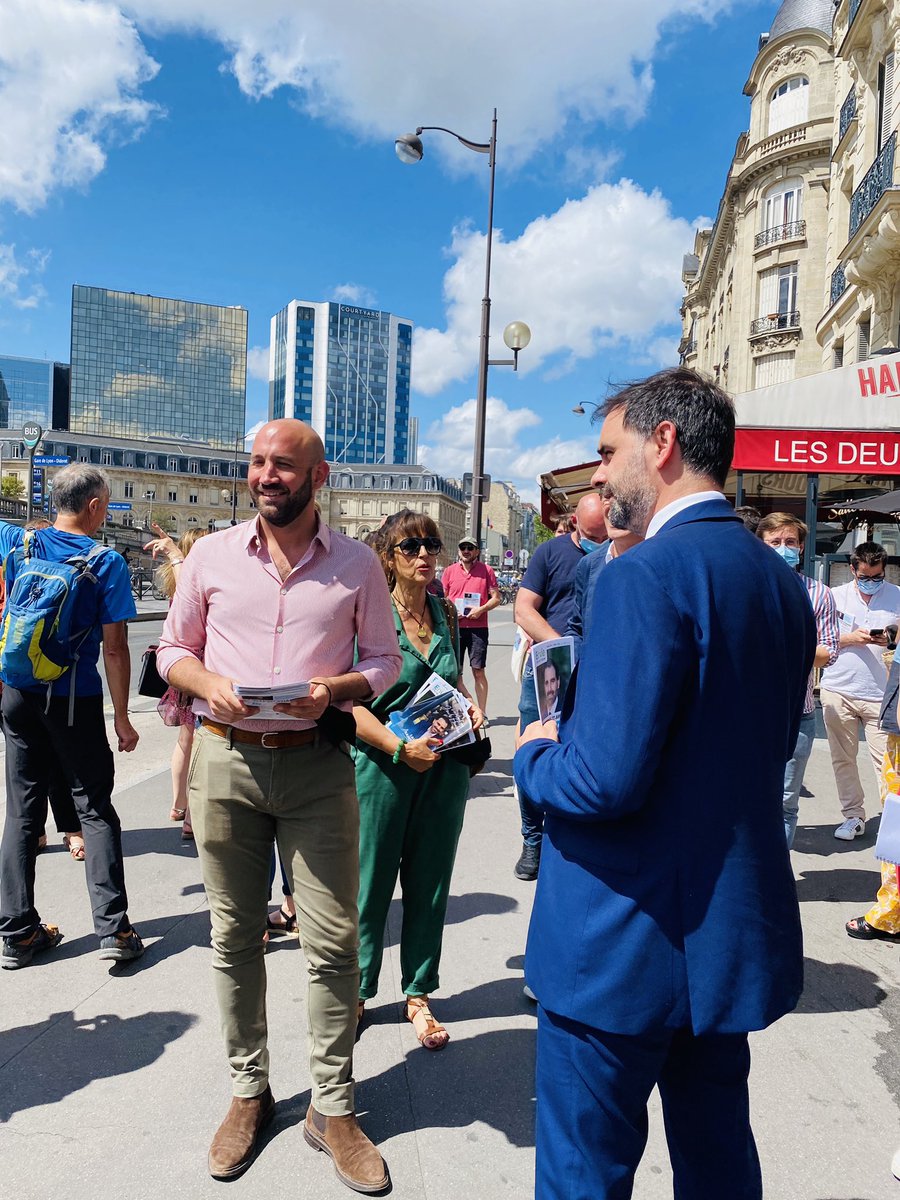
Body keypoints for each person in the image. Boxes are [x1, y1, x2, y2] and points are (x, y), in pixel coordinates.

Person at [515, 367, 814, 1200]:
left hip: (616, 943)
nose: (600, 473)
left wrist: (536, 755)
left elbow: (603, 781)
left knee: (584, 1174)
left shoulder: (643, 575)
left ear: (664, 443)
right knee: (719, 1162)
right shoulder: (778, 582)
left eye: (607, 452)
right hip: (722, 943)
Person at [156, 418, 401, 1189]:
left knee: (333, 943)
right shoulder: (212, 557)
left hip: (318, 768)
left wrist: (335, 691)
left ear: (318, 476)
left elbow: (385, 661)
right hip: (226, 765)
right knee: (233, 938)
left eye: (285, 465)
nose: (268, 476)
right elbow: (172, 651)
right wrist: (208, 686)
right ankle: (249, 1093)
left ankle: (333, 1108)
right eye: (259, 463)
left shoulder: (358, 564)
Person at [0, 463, 143, 968]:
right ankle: (114, 930)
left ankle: (17, 933)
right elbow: (117, 648)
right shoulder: (105, 562)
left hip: (15, 693)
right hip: (72, 698)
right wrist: (122, 716)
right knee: (94, 808)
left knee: (22, 811)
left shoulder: (19, 544)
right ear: (96, 507)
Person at [353, 510, 482, 1052]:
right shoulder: (367, 614)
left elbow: (451, 685)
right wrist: (398, 747)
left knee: (430, 883)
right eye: (411, 547)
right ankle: (355, 991)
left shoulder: (446, 612)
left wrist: (470, 712)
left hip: (445, 769)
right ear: (389, 556)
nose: (426, 554)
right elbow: (348, 705)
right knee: (370, 882)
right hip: (383, 767)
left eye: (432, 544)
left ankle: (418, 993)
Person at [511, 490, 608, 880]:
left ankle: (571, 838)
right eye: (590, 536)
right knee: (533, 745)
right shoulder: (550, 554)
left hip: (599, 670)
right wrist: (561, 648)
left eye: (603, 538)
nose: (596, 545)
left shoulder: (623, 552)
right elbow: (523, 608)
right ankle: (532, 839)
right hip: (551, 668)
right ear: (574, 525)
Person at [756, 513, 840, 848]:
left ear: (802, 547)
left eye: (790, 542)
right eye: (775, 542)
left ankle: (776, 883)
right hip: (748, 713)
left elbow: (828, 651)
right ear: (760, 546)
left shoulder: (818, 593)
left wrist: (781, 650)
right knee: (741, 798)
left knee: (785, 803)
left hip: (798, 714)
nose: (784, 548)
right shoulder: (746, 587)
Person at [819, 541, 900, 840]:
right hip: (838, 689)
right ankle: (853, 816)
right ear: (853, 570)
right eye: (865, 577)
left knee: (889, 764)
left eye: (877, 577)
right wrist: (850, 638)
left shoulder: (897, 596)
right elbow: (819, 639)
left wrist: (891, 638)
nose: (871, 583)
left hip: (881, 694)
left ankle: (893, 822)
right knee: (843, 759)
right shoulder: (833, 597)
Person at [143, 523, 207, 840]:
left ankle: (178, 804)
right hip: (199, 671)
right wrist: (177, 557)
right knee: (199, 745)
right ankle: (191, 817)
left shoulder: (173, 580)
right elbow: (188, 600)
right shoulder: (192, 583)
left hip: (182, 670)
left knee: (185, 741)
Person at [565, 484, 642, 653]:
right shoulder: (588, 565)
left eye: (622, 496)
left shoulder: (660, 560)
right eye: (607, 496)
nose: (614, 506)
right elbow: (577, 628)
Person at [439, 537, 500, 714]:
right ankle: (458, 713)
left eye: (470, 548)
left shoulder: (486, 570)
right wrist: (449, 611)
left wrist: (481, 610)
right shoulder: (449, 571)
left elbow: (496, 598)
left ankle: (482, 712)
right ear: (459, 551)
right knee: (453, 672)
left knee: (478, 671)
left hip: (478, 629)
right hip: (454, 627)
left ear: (476, 551)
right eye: (463, 547)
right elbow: (441, 599)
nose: (466, 550)